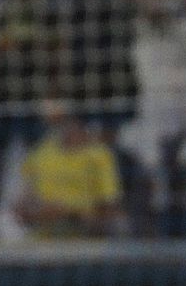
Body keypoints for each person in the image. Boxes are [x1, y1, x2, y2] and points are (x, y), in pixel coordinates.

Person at [13, 97, 121, 237]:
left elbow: (110, 216)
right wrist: (32, 213)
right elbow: (23, 205)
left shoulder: (99, 156)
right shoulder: (42, 151)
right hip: (41, 246)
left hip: (84, 247)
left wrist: (68, 214)